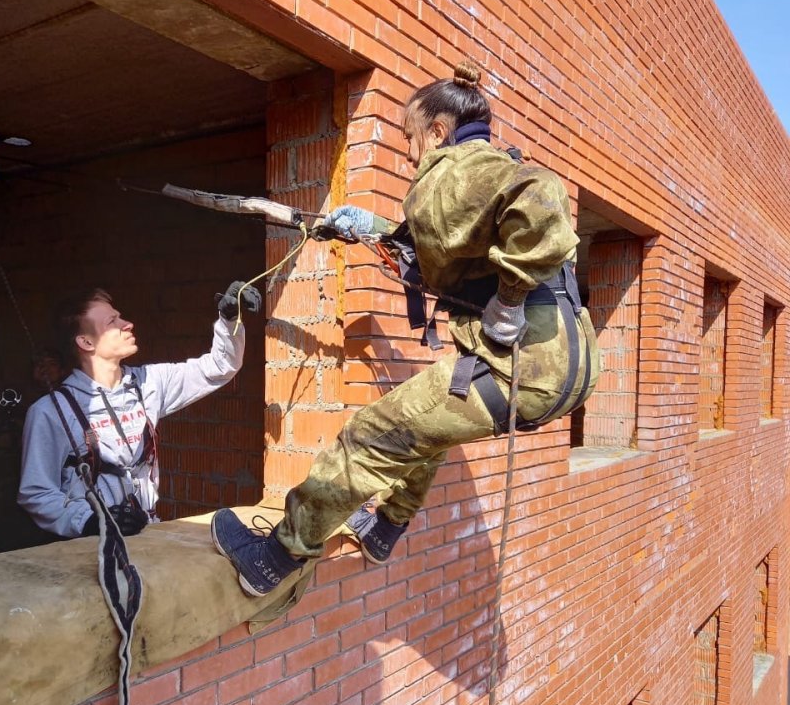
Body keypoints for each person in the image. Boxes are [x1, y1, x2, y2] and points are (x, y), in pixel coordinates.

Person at [211, 61, 599, 596]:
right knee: (428, 428)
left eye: (410, 137)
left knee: (367, 437)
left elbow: (541, 195)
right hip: (565, 374)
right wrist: (374, 231)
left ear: (438, 131)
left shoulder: (454, 169)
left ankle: (277, 558)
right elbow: (450, 251)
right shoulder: (480, 167)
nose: (408, 151)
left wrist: (509, 301)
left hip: (521, 370)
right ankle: (386, 530)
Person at [18, 281, 259, 539]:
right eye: (112, 322)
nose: (127, 323)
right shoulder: (50, 412)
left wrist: (229, 319)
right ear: (86, 341)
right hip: (87, 549)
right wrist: (90, 521)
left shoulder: (149, 383)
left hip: (149, 536)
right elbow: (37, 493)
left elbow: (220, 367)